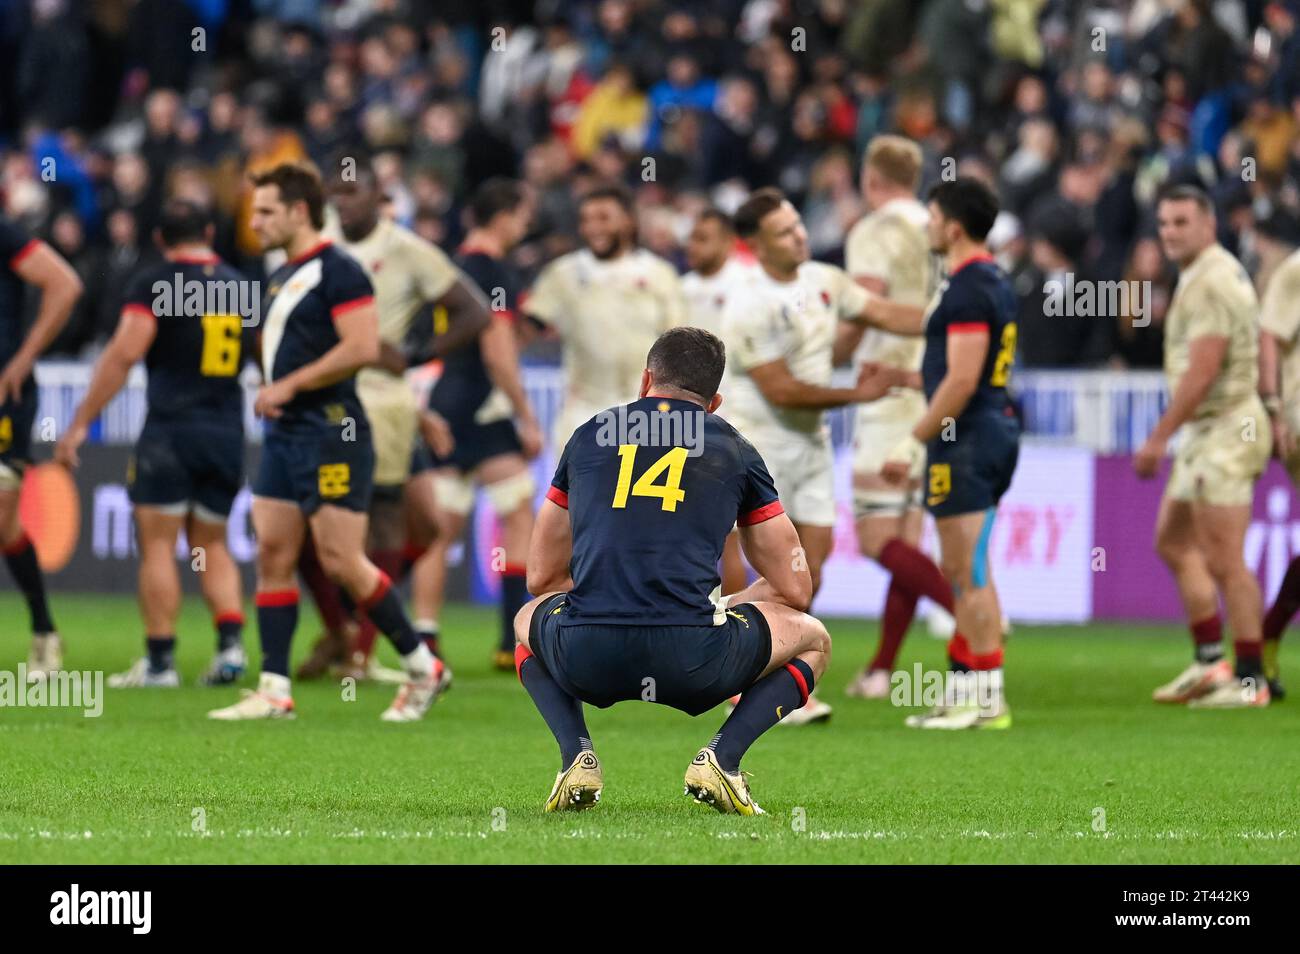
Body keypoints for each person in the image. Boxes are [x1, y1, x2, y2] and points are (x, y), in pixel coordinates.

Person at [514, 327, 831, 815]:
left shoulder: (587, 436)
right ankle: (722, 760)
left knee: (526, 620)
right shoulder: (735, 448)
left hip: (587, 654)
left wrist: (604, 598)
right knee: (814, 639)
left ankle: (575, 756)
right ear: (714, 401)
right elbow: (795, 587)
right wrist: (722, 606)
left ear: (646, 380)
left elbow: (541, 576)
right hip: (695, 661)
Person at [207, 162, 443, 722]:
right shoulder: (278, 273)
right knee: (272, 552)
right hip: (285, 434)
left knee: (341, 560)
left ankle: (422, 666)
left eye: (265, 211)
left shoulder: (339, 271)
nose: (255, 221)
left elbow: (362, 346)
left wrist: (286, 383)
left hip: (332, 430)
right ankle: (273, 690)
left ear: (298, 211)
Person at [291, 154, 490, 683]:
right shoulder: (313, 243)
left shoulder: (406, 251)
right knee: (302, 529)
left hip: (385, 402)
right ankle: (348, 640)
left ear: (381, 198)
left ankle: (358, 639)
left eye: (352, 192)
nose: (341, 202)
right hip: (322, 397)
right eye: (333, 192)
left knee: (417, 523)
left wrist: (416, 355)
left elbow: (475, 311)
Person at [56, 200, 251, 687]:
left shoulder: (156, 284)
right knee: (210, 543)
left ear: (161, 240)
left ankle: (161, 662)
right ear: (209, 230)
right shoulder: (241, 286)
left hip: (171, 431)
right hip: (226, 430)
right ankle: (230, 649)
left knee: (159, 546)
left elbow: (123, 356)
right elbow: (266, 353)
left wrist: (81, 422)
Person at [851, 177, 1021, 729]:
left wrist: (912, 438)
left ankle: (986, 699)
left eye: (931, 216)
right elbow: (956, 372)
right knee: (964, 566)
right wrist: (904, 376)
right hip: (981, 432)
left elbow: (964, 379)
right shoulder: (984, 281)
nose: (926, 225)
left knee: (967, 570)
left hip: (966, 440)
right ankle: (968, 688)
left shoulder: (970, 286)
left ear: (953, 226)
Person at [719, 186, 884, 724]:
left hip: (811, 445)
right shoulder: (748, 301)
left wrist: (950, 309)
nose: (801, 235)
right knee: (776, 570)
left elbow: (884, 312)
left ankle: (741, 648)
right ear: (756, 244)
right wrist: (860, 394)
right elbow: (783, 391)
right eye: (786, 231)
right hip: (759, 447)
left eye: (798, 224)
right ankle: (743, 672)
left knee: (811, 567)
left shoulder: (822, 281)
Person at [1136, 184, 1271, 709]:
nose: (1169, 232)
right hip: (1209, 435)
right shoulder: (1208, 272)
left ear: (1208, 224)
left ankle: (1250, 679)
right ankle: (1209, 661)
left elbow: (1203, 370)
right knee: (1171, 542)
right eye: (1164, 222)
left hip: (1225, 432)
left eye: (1181, 222)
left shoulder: (1210, 282)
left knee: (1226, 561)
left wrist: (1158, 437)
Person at [837, 135, 956, 699]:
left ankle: (968, 610)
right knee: (907, 538)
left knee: (874, 537)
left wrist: (832, 351)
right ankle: (884, 670)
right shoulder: (936, 226)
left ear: (870, 177)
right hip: (931, 388)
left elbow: (867, 300)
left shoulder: (875, 229)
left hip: (885, 388)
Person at [417, 178, 544, 671]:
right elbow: (496, 349)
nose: (526, 224)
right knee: (517, 514)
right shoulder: (493, 270)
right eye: (522, 214)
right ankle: (509, 637)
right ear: (506, 214)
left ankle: (426, 641)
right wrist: (526, 414)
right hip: (483, 410)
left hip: (446, 403)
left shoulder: (451, 265)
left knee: (440, 529)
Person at [524, 183, 684, 448]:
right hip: (583, 412)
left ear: (629, 222)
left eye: (604, 218)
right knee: (579, 490)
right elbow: (526, 329)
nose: (593, 228)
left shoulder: (660, 274)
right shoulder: (563, 274)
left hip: (645, 414)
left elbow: (679, 345)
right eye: (586, 220)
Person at [0, 214, 83, 679]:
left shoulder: (4, 233)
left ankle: (44, 631)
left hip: (5, 395)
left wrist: (23, 357)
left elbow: (64, 284)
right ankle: (45, 630)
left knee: (2, 518)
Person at [680, 207, 755, 593]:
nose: (692, 246)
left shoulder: (750, 281)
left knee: (727, 537)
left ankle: (734, 629)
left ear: (728, 241)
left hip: (738, 420)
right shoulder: (680, 289)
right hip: (688, 423)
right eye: (691, 237)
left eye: (703, 238)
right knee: (706, 534)